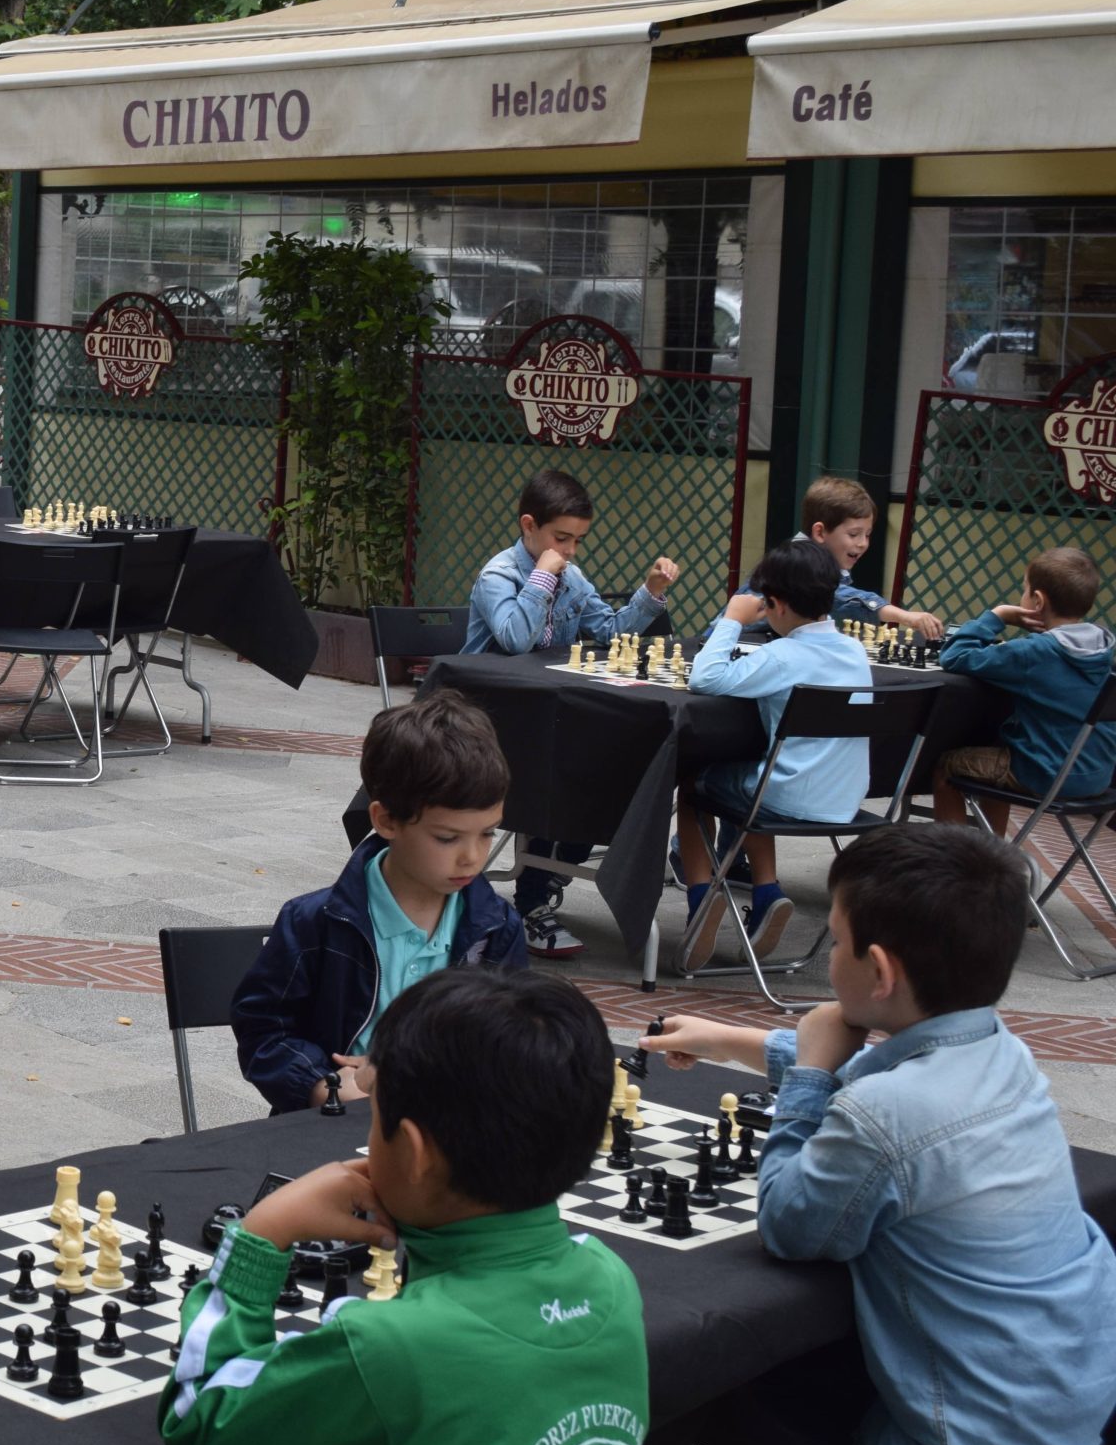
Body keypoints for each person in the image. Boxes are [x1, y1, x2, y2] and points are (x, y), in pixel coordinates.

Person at [643, 826, 1116, 1445]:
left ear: (880, 970)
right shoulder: (1000, 1052)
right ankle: (670, 1439)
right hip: (1070, 1417)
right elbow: (883, 1067)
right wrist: (732, 1041)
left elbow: (791, 1222)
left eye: (836, 936)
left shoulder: (885, 1116)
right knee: (762, 1372)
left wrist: (815, 1081)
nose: (828, 955)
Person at [164, 969, 653, 1445]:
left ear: (415, 1152)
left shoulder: (391, 1348)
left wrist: (261, 1235)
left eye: (374, 1118)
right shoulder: (610, 1279)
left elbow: (195, 1410)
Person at [231, 691, 522, 1114]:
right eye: (448, 837)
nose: (473, 856)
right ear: (386, 820)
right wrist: (324, 1086)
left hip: (447, 1129)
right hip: (332, 1127)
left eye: (487, 833)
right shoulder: (313, 922)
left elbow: (508, 1042)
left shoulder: (497, 927)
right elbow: (264, 1030)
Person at [464, 468, 682, 957]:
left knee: (610, 769)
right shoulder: (498, 576)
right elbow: (515, 639)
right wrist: (542, 576)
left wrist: (649, 593)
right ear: (528, 526)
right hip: (491, 718)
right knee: (559, 774)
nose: (571, 551)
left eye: (579, 540)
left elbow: (608, 632)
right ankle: (533, 896)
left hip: (548, 714)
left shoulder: (573, 576)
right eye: (562, 538)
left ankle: (548, 871)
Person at [674, 541, 873, 972]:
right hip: (844, 801)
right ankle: (766, 894)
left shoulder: (782, 656)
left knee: (694, 782)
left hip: (785, 796)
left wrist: (731, 619)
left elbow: (705, 679)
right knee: (754, 778)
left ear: (776, 605)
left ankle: (700, 899)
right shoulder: (855, 652)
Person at [932, 545, 1114, 828]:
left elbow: (954, 656)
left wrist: (998, 616)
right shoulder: (1102, 649)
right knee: (1000, 752)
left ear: (1038, 600)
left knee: (947, 766)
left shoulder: (1035, 653)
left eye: (1025, 589)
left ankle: (959, 863)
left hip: (1045, 774)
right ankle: (993, 852)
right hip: (1098, 776)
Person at [769, 476, 944, 639]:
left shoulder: (828, 567)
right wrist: (903, 616)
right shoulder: (794, 565)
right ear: (820, 532)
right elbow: (831, 595)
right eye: (854, 534)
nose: (863, 544)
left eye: (867, 535)